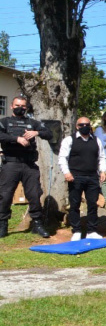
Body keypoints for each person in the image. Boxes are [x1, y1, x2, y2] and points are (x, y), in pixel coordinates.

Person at [0, 96, 53, 238]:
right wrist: (16, 139)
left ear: (27, 108)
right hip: (11, 164)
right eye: (17, 105)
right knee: (5, 195)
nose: (20, 108)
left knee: (35, 194)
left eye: (23, 106)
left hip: (29, 165)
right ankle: (3, 224)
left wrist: (37, 132)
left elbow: (49, 133)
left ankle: (37, 223)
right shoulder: (4, 122)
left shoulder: (32, 122)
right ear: (11, 106)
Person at [58, 117, 106, 240]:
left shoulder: (96, 140)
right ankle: (77, 231)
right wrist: (66, 172)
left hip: (92, 177)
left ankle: (92, 231)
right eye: (82, 124)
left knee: (92, 204)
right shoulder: (69, 140)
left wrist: (103, 171)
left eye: (87, 124)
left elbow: (102, 157)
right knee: (75, 204)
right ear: (77, 126)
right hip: (75, 177)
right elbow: (62, 157)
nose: (84, 126)